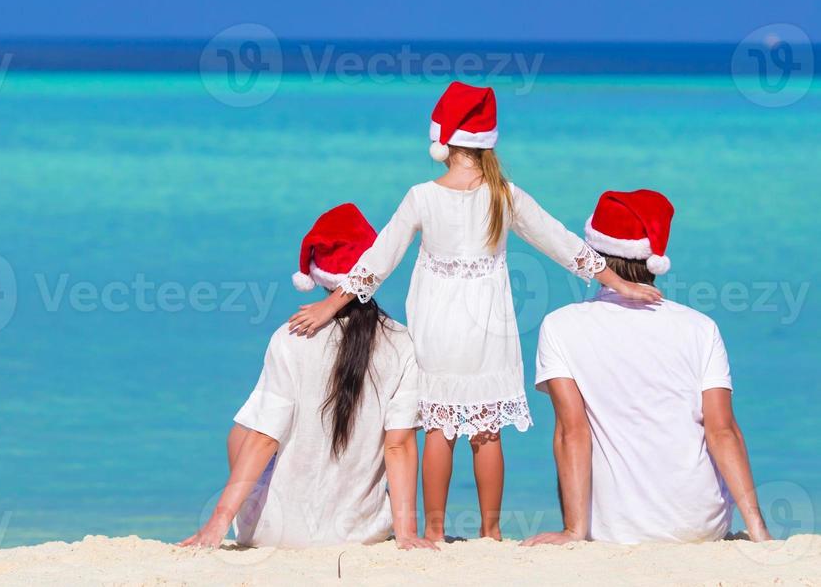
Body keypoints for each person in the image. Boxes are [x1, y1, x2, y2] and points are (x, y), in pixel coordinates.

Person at [288, 82, 659, 543]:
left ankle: (436, 532)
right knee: (487, 431)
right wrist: (619, 281)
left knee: (440, 429)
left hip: (437, 325)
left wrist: (331, 303)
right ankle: (492, 532)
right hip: (491, 326)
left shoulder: (422, 196)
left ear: (442, 141)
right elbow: (561, 242)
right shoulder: (504, 195)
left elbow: (377, 261)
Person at [181, 203, 436, 550]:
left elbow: (266, 437)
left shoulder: (291, 337)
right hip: (360, 534)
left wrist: (216, 524)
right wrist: (406, 534)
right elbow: (399, 444)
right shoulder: (402, 341)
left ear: (317, 274)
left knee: (242, 431)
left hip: (276, 532)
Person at [524, 189, 770, 545]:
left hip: (612, 529)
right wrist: (758, 529)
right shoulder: (700, 327)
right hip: (700, 524)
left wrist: (573, 532)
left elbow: (571, 432)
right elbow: (723, 432)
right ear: (655, 258)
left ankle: (577, 525)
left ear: (593, 251)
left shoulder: (560, 326)